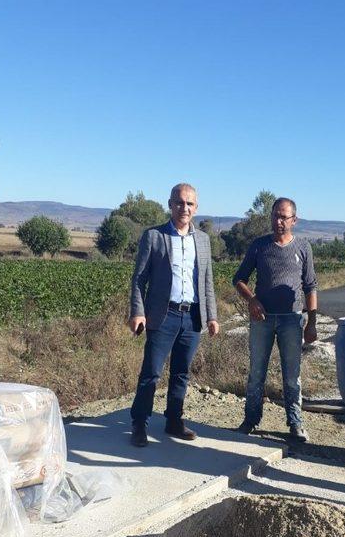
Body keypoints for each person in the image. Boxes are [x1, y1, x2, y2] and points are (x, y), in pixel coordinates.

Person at [128, 183, 219, 447]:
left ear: (196, 208)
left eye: (190, 204)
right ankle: (139, 423)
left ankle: (173, 420)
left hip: (191, 317)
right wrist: (138, 312)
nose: (184, 208)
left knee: (181, 372)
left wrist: (212, 316)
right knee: (151, 373)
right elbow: (139, 279)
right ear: (170, 204)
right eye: (179, 203)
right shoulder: (154, 237)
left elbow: (207, 281)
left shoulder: (202, 240)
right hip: (162, 315)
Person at [233, 197, 317, 441]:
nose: (279, 222)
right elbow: (239, 279)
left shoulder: (303, 248)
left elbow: (311, 286)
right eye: (275, 216)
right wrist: (251, 300)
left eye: (284, 217)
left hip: (292, 320)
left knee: (292, 375)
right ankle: (251, 420)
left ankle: (295, 423)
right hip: (262, 320)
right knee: (256, 372)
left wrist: (311, 323)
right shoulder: (259, 246)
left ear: (294, 220)